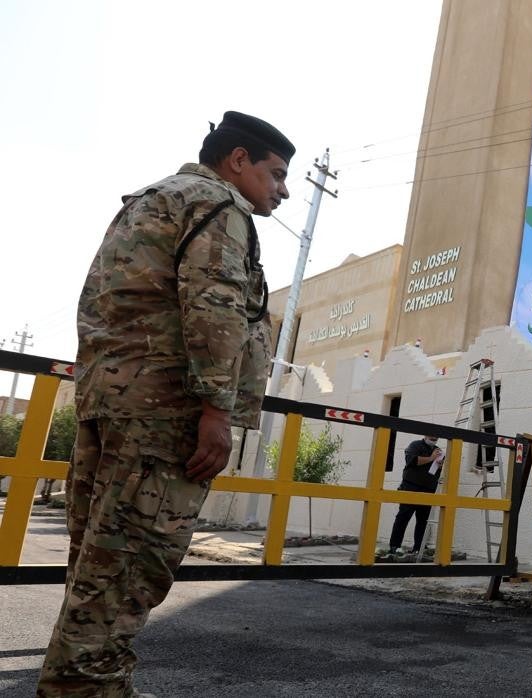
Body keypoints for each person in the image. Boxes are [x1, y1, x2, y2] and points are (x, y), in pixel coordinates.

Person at [39, 111, 294, 696]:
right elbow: (215, 307)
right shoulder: (218, 207)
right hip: (164, 417)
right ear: (238, 161)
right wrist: (215, 410)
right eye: (276, 174)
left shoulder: (151, 200)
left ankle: (91, 686)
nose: (282, 190)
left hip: (111, 405)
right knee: (126, 573)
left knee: (97, 570)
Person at [387, 436, 444, 559]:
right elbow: (412, 461)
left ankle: (419, 547)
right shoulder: (415, 445)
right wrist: (431, 458)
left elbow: (437, 469)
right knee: (403, 516)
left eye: (436, 438)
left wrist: (439, 465)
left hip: (428, 489)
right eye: (431, 437)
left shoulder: (438, 450)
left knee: (423, 520)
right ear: (425, 435)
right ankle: (394, 546)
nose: (433, 439)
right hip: (410, 486)